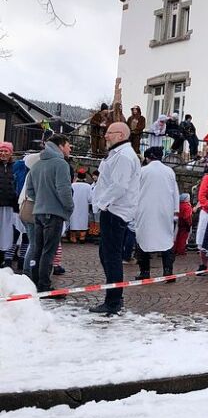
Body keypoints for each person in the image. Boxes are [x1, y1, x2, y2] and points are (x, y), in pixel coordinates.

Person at [90, 122, 141, 314]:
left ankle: (113, 301)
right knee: (106, 255)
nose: (105, 136)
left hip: (115, 211)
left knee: (111, 257)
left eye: (109, 133)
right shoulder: (119, 154)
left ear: (120, 135)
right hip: (113, 209)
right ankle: (113, 298)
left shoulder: (124, 157)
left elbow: (119, 186)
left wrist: (102, 203)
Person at [25, 134, 73, 292]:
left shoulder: (37, 165)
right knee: (48, 251)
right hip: (54, 214)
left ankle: (36, 283)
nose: (70, 148)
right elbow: (64, 190)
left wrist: (42, 199)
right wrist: (69, 207)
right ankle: (44, 286)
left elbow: (30, 191)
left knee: (38, 249)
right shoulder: (61, 164)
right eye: (68, 144)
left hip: (38, 212)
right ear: (60, 146)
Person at [134, 147, 179, 280]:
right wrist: (176, 211)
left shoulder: (142, 171)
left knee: (143, 238)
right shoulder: (169, 171)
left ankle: (145, 272)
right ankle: (168, 271)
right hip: (165, 210)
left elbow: (134, 191)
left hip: (145, 210)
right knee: (166, 239)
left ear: (148, 158)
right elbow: (175, 192)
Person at [0, 142, 18, 267]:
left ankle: (6, 257)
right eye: (1, 151)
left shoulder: (16, 166)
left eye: (6, 151)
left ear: (11, 153)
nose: (3, 153)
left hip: (11, 204)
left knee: (9, 232)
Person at [68, 169, 93, 244]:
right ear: (85, 177)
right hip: (84, 206)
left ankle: (73, 238)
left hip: (74, 206)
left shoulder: (72, 185)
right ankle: (82, 237)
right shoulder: (88, 186)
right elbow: (90, 199)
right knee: (83, 220)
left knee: (73, 220)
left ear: (77, 176)